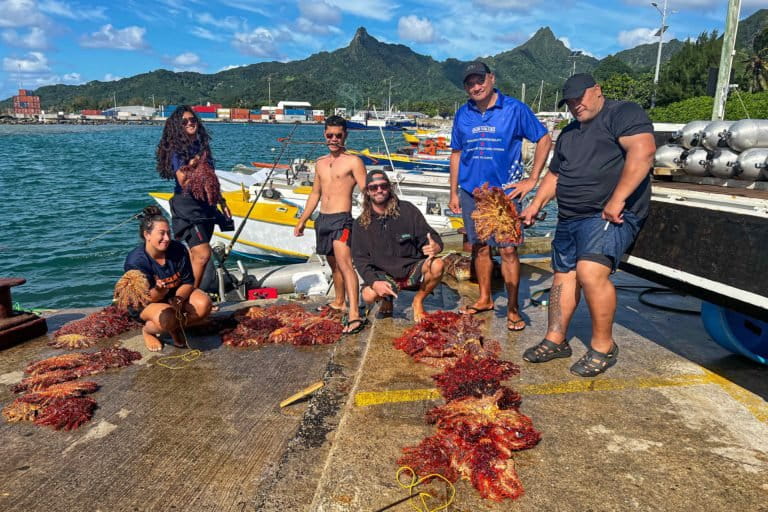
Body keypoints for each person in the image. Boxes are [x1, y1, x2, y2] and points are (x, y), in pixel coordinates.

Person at [519, 73, 656, 377]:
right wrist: (535, 204)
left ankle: (603, 346)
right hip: (569, 217)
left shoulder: (622, 113)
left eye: (579, 97)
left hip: (606, 214)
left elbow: (643, 151)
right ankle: (556, 339)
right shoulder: (568, 133)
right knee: (562, 275)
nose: (575, 105)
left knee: (590, 272)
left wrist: (617, 199)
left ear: (597, 90)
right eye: (569, 101)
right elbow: (554, 175)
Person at [449, 61, 553, 332]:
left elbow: (544, 139)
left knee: (508, 249)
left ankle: (513, 307)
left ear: (491, 78)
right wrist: (453, 192)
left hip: (506, 192)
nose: (476, 86)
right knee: (480, 247)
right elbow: (457, 154)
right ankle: (484, 299)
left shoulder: (514, 109)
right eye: (470, 83)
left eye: (480, 80)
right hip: (472, 192)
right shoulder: (463, 114)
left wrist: (532, 180)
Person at [294, 115, 367, 334]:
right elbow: (315, 193)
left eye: (338, 135)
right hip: (323, 220)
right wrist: (303, 219)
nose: (334, 139)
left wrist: (374, 217)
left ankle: (354, 313)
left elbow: (367, 191)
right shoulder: (320, 163)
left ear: (345, 135)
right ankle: (339, 302)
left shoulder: (353, 161)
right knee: (334, 265)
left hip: (342, 219)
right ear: (324, 135)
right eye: (329, 135)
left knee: (345, 264)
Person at [351, 170, 445, 323]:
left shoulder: (407, 210)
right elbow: (360, 260)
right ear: (367, 192)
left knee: (438, 265)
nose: (379, 190)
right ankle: (386, 299)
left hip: (411, 267)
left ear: (390, 187)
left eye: (383, 186)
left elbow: (431, 236)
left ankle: (418, 301)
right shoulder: (360, 223)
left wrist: (436, 246)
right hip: (383, 273)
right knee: (368, 295)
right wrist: (375, 282)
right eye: (373, 188)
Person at [156, 105, 231, 290]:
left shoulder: (201, 146)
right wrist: (192, 163)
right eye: (185, 122)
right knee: (203, 254)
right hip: (188, 207)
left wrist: (222, 202)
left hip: (207, 206)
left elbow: (211, 178)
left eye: (192, 120)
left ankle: (180, 292)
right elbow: (183, 180)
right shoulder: (177, 151)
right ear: (177, 126)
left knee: (195, 255)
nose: (190, 123)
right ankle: (189, 298)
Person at [124, 206, 213, 352]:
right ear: (147, 235)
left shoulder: (178, 249)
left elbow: (188, 282)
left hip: (173, 297)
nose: (167, 238)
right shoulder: (136, 262)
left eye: (168, 233)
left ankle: (175, 327)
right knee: (167, 318)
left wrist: (178, 299)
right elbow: (144, 299)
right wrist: (159, 291)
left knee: (204, 305)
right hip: (146, 304)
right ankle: (148, 331)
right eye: (161, 233)